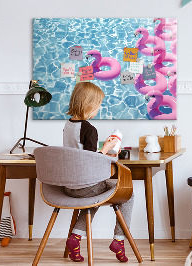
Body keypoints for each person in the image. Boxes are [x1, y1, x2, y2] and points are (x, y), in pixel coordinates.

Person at [63, 82, 133, 263]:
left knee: (93, 197)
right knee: (128, 194)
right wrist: (107, 148)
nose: (98, 109)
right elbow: (91, 161)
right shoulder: (89, 129)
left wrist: (102, 150)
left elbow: (80, 154)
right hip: (86, 186)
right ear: (89, 105)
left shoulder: (68, 125)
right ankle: (119, 240)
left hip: (69, 186)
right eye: (98, 105)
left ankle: (75, 238)